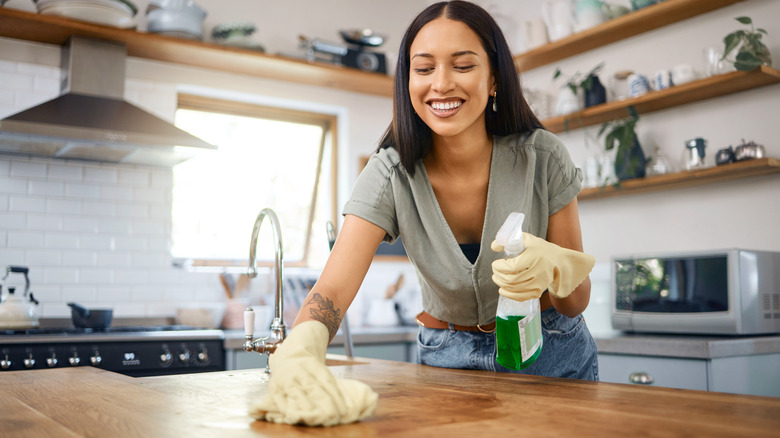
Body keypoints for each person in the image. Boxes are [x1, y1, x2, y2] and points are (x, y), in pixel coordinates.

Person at [250, 1, 596, 426]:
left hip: (551, 356)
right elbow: (333, 289)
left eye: (463, 66)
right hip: (446, 361)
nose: (441, 84)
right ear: (407, 81)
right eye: (424, 68)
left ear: (494, 80)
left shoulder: (544, 158)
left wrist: (557, 269)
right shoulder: (389, 173)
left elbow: (575, 304)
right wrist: (301, 348)